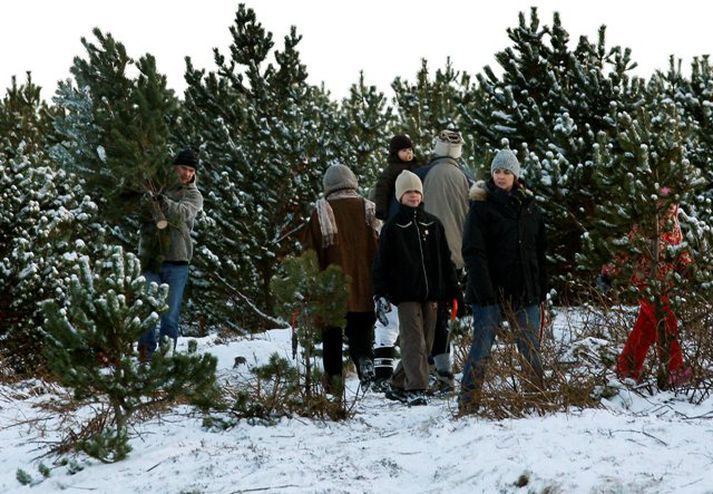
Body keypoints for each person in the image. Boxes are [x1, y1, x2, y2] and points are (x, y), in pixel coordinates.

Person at [459, 149, 547, 413]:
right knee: (482, 348)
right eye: (497, 171)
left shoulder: (529, 207)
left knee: (530, 348)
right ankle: (468, 403)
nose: (501, 176)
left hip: (525, 292)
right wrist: (485, 291)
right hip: (490, 294)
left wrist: (540, 287)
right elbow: (474, 252)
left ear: (515, 175)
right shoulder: (481, 207)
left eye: (506, 172)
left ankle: (537, 398)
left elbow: (539, 251)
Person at [373, 170, 459, 406]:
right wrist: (380, 293)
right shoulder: (393, 227)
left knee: (428, 342)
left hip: (432, 294)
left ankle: (398, 382)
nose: (413, 196)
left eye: (416, 192)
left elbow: (445, 260)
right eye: (408, 192)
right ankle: (416, 387)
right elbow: (381, 264)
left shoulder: (433, 223)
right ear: (400, 196)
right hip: (405, 295)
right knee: (413, 341)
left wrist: (452, 290)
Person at [600, 187, 693, 387]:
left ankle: (627, 369)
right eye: (663, 202)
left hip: (664, 285)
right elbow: (626, 250)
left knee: (647, 327)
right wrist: (610, 272)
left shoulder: (674, 224)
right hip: (645, 283)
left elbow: (680, 250)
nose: (668, 207)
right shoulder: (646, 224)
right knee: (666, 322)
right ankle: (674, 368)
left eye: (672, 203)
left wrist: (690, 269)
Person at [301, 164, 380, 392]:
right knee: (361, 333)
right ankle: (364, 362)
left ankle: (334, 385)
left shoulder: (322, 211)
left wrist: (311, 284)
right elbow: (380, 244)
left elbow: (310, 252)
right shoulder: (368, 208)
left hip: (332, 288)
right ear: (352, 181)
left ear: (328, 186)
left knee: (332, 336)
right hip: (364, 285)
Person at [416, 129, 471, 391]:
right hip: (455, 256)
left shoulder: (423, 175)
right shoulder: (465, 178)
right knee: (444, 316)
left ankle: (426, 371)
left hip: (424, 254)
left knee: (425, 314)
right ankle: (444, 371)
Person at [138, 148, 204, 361]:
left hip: (177, 261)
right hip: (151, 257)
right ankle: (145, 355)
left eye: (191, 170)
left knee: (170, 315)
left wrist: (163, 202)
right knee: (147, 309)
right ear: (174, 167)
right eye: (184, 168)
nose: (187, 174)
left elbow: (183, 212)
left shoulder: (193, 195)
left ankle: (165, 359)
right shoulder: (157, 186)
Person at [373, 135, 418, 221]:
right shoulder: (392, 170)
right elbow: (382, 189)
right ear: (396, 153)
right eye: (404, 150)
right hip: (396, 206)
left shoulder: (416, 167)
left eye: (410, 150)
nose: (408, 153)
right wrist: (381, 210)